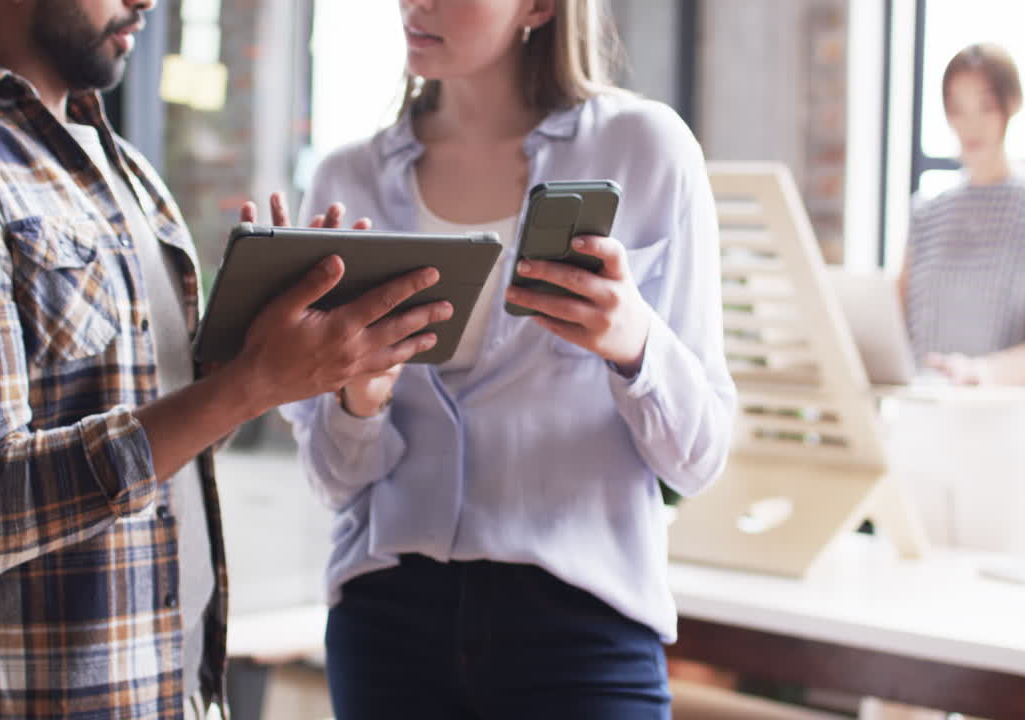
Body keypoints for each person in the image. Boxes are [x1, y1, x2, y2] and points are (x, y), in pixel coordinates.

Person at [0, 0, 451, 717]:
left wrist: (268, 355)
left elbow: (175, 437)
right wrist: (249, 385)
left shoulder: (121, 166)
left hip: (175, 690)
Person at [275, 1, 736, 717]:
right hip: (387, 625)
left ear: (539, 6)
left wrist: (634, 343)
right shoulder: (347, 180)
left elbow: (698, 457)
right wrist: (358, 400)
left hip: (584, 626)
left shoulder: (645, 150)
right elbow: (335, 481)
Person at [901, 43, 1025, 386]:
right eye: (957, 107)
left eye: (985, 106)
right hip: (926, 409)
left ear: (1010, 106)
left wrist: (981, 373)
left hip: (1005, 415)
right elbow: (894, 321)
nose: (970, 123)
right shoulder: (927, 214)